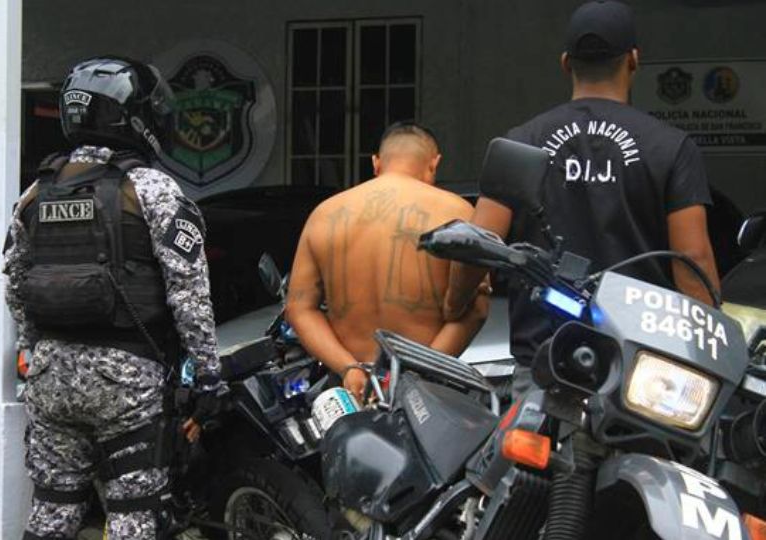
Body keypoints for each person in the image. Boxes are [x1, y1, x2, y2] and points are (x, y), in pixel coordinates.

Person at [443, 0, 720, 392]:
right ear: (634, 60)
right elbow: (692, 260)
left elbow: (478, 243)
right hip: (640, 374)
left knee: (527, 452)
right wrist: (706, 359)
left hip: (545, 367)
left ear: (565, 63)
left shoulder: (522, 142)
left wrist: (454, 305)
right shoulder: (670, 147)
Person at [4, 57, 221, 540]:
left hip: (50, 375)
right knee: (134, 512)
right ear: (136, 115)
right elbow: (189, 294)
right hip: (128, 380)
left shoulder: (37, 191)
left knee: (52, 509)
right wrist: (207, 378)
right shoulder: (152, 189)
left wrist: (36, 351)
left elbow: (16, 286)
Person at [286, 122, 491, 401]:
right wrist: (421, 371)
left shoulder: (325, 214)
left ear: (376, 163)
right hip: (424, 391)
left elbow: (299, 309)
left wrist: (349, 368)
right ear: (434, 164)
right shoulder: (457, 212)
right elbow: (476, 310)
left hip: (353, 389)